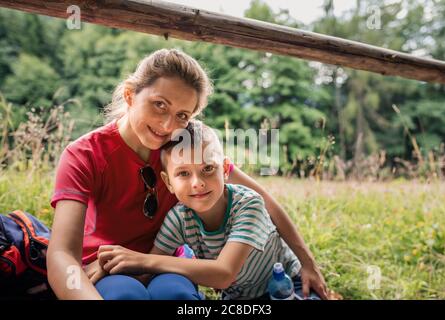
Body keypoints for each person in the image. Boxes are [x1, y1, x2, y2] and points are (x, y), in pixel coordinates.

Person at [47, 48, 328, 300]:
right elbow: (62, 254)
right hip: (107, 268)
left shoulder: (185, 152)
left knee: (176, 294)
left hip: (169, 264)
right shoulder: (84, 155)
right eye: (160, 105)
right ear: (130, 95)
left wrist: (307, 263)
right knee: (124, 294)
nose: (168, 125)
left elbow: (262, 199)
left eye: (182, 115)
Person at [98, 121, 321, 300]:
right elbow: (150, 269)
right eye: (183, 174)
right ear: (168, 183)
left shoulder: (248, 204)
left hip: (288, 282)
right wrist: (106, 269)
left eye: (208, 169)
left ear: (225, 169)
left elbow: (224, 274)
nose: (197, 183)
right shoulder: (179, 218)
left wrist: (142, 260)